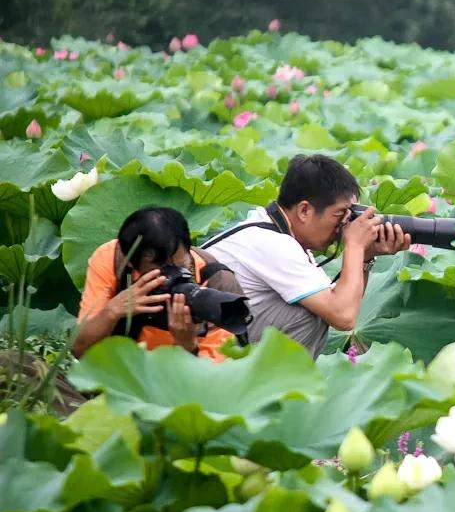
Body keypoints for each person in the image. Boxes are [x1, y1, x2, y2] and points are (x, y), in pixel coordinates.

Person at [201, 154, 411, 357]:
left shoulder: (276, 233)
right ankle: (276, 391)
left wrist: (365, 256)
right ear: (304, 210)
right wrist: (354, 246)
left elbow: (339, 303)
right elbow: (342, 315)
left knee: (319, 307)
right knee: (310, 316)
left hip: (217, 339)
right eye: (340, 215)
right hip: (202, 348)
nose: (344, 226)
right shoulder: (273, 243)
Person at [74, 207, 237, 361]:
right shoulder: (113, 259)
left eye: (181, 267)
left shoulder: (216, 282)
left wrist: (187, 344)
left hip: (175, 384)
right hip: (121, 377)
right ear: (130, 261)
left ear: (189, 249)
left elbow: (209, 383)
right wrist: (111, 311)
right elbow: (81, 350)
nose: (173, 277)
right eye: (161, 272)